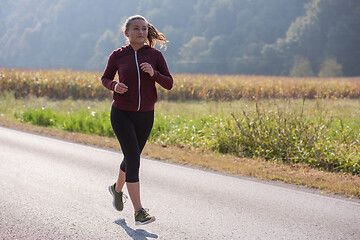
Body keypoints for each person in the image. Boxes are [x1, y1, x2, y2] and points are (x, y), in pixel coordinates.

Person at [101, 15, 173, 225]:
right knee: (133, 159)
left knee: (131, 157)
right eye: (136, 29)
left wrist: (154, 74)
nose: (140, 32)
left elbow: (169, 83)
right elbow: (105, 78)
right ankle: (139, 212)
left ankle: (116, 189)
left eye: (143, 29)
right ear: (127, 33)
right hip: (122, 112)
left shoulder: (155, 55)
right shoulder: (118, 55)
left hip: (146, 114)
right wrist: (114, 86)